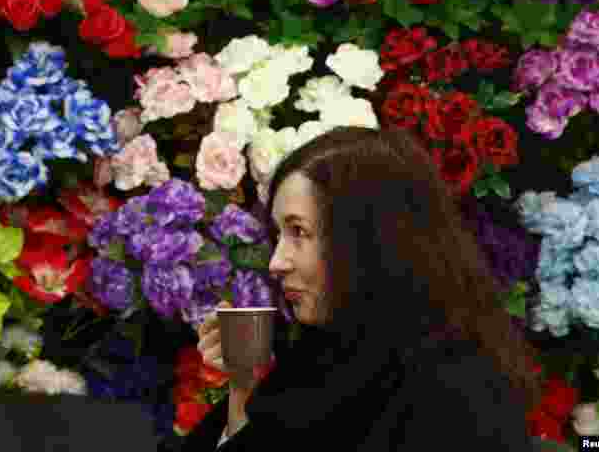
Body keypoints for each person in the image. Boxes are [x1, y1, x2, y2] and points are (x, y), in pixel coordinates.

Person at [183, 126, 540, 452]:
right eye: (278, 234)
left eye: (299, 232)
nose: (276, 262)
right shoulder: (318, 357)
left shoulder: (457, 391)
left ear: (369, 241)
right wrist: (243, 383)